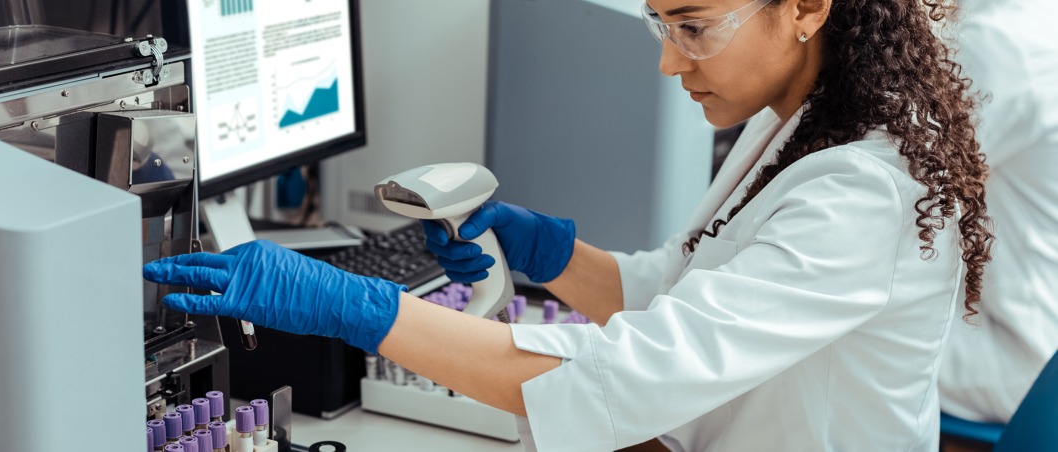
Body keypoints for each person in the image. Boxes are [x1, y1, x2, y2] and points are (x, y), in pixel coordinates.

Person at [143, 0, 994, 450]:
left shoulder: (864, 193)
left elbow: (634, 373)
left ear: (806, 6)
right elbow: (686, 291)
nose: (667, 61)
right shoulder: (800, 118)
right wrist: (543, 250)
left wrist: (356, 308)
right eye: (661, 23)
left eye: (694, 28)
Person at [936, 0, 1058, 424]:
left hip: (1015, 357)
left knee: (812, 335)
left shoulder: (1002, 45)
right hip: (1038, 341)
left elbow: (907, 190)